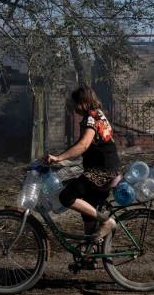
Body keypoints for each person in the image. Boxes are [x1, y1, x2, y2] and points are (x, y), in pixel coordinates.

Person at [48, 86, 121, 242]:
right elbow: (82, 147)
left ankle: (106, 221)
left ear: (81, 102)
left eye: (74, 103)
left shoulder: (92, 117)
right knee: (87, 209)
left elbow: (83, 145)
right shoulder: (97, 115)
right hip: (105, 168)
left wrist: (59, 158)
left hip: (103, 170)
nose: (73, 107)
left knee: (66, 196)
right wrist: (62, 159)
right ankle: (89, 254)